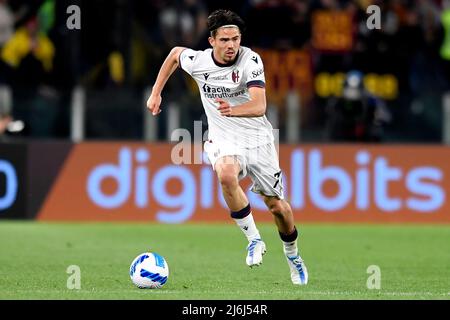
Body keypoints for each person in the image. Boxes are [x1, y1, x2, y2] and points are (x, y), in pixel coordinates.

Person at [146, 9, 308, 285]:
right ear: (211, 41)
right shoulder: (199, 62)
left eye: (235, 38)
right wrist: (156, 92)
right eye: (224, 39)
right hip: (223, 138)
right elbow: (175, 54)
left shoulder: (250, 60)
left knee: (278, 208)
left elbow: (260, 105)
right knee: (226, 175)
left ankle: (293, 255)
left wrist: (234, 110)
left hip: (258, 140)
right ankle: (254, 240)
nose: (231, 45)